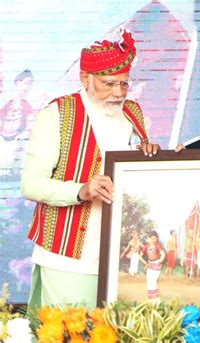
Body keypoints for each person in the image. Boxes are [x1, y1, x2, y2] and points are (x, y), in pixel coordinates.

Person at [21, 29, 160, 308]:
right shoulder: (58, 113)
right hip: (67, 256)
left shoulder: (134, 113)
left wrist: (150, 156)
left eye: (124, 84)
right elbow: (31, 184)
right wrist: (82, 190)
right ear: (86, 79)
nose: (118, 93)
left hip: (115, 259)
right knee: (67, 335)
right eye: (109, 84)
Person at [140, 231, 165, 303]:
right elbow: (140, 256)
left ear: (157, 239)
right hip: (150, 265)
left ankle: (157, 300)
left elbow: (163, 254)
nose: (154, 240)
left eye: (155, 238)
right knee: (149, 282)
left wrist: (160, 261)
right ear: (149, 238)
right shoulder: (146, 247)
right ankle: (150, 299)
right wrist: (145, 263)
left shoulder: (157, 246)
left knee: (153, 282)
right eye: (152, 238)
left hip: (156, 265)